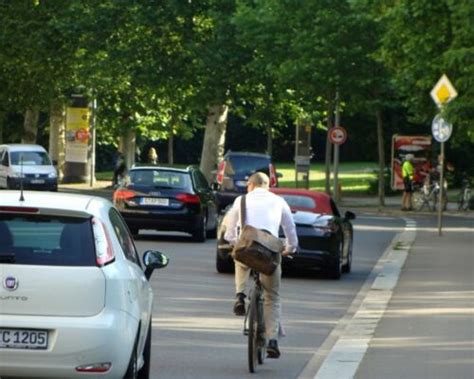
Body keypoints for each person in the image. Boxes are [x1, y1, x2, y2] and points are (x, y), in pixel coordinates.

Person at [224, 172, 298, 359]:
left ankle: (240, 295)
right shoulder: (279, 201)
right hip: (270, 252)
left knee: (239, 259)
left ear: (250, 184)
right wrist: (290, 248)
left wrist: (233, 241)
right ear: (267, 185)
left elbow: (229, 228)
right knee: (272, 296)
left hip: (247, 248)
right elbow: (290, 228)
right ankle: (272, 340)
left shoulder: (241, 200)